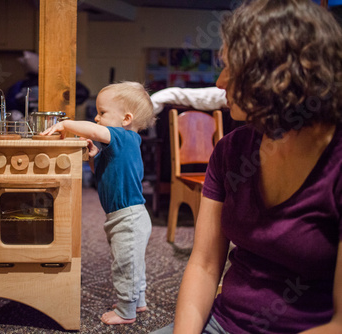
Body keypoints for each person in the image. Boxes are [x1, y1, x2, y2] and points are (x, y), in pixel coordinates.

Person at [152, 0, 342, 333]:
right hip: (224, 322)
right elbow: (204, 265)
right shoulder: (232, 151)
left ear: (281, 76)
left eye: (233, 68)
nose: (221, 81)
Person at [40, 81, 156, 325]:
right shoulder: (120, 144)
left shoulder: (123, 136)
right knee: (132, 261)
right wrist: (94, 158)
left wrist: (64, 123)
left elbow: (92, 131)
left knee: (125, 265)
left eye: (102, 113)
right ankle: (139, 300)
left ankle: (127, 311)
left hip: (129, 218)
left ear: (126, 118)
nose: (96, 117)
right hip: (122, 216)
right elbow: (103, 173)